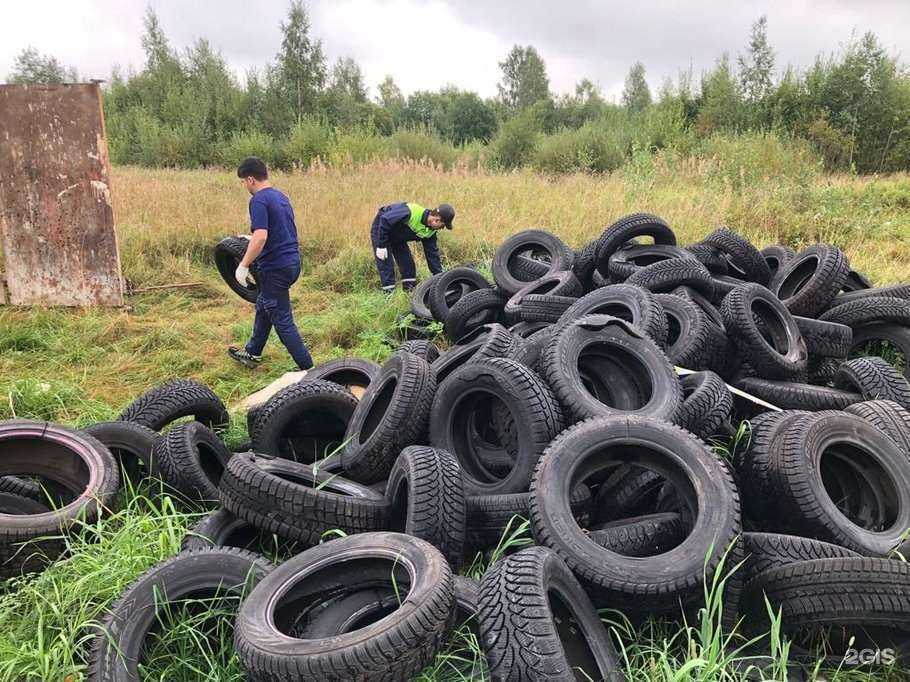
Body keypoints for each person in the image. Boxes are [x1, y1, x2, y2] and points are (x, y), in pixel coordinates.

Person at [227, 157, 314, 371]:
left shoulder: (258, 200)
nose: (244, 186)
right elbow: (277, 231)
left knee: (281, 318)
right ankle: (253, 352)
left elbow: (262, 236)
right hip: (291, 262)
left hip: (275, 268)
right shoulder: (280, 197)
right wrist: (249, 241)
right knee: (264, 305)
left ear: (250, 179)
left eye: (243, 182)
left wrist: (243, 265)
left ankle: (309, 368)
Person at [370, 201, 454, 292]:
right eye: (443, 226)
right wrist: (381, 246)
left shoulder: (430, 232)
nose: (441, 229)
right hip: (382, 229)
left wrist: (440, 279)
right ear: (437, 219)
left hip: (398, 237)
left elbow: (433, 257)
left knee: (408, 265)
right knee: (386, 265)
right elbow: (385, 219)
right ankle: (388, 296)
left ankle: (409, 293)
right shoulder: (411, 212)